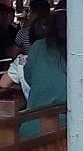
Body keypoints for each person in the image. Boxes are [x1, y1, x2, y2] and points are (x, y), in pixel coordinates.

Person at [0, 11, 67, 139]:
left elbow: (28, 78)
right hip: (67, 129)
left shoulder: (38, 48)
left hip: (32, 127)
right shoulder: (80, 51)